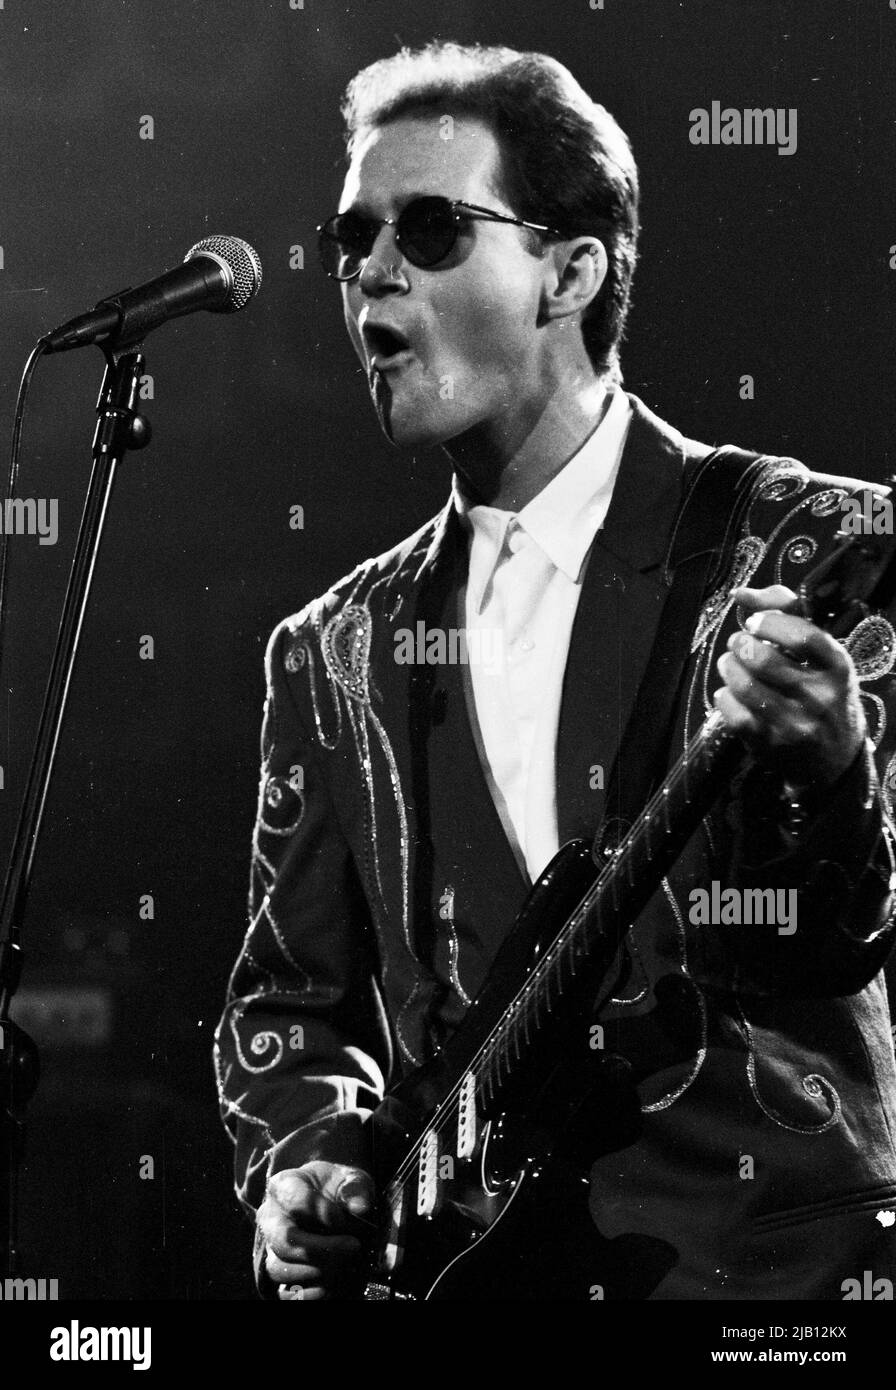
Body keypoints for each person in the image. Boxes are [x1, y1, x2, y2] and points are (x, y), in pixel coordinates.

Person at [214, 40, 896, 1300]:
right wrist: (305, 1162)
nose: (367, 268)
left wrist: (824, 764)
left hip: (768, 1277)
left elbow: (825, 941)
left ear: (570, 270)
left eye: (427, 229)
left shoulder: (812, 548)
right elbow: (286, 1003)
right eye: (350, 235)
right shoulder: (334, 650)